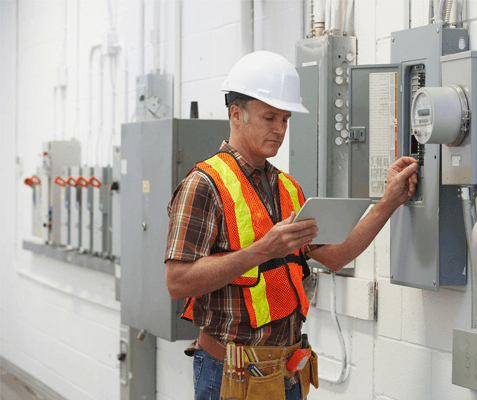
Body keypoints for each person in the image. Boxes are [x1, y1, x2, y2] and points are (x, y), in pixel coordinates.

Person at [165, 51, 418, 400]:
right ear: (236, 114)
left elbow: (336, 256)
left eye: (285, 119)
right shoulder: (204, 184)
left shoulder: (287, 188)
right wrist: (261, 251)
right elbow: (177, 281)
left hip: (286, 373)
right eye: (270, 117)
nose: (280, 129)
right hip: (231, 374)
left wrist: (389, 201)